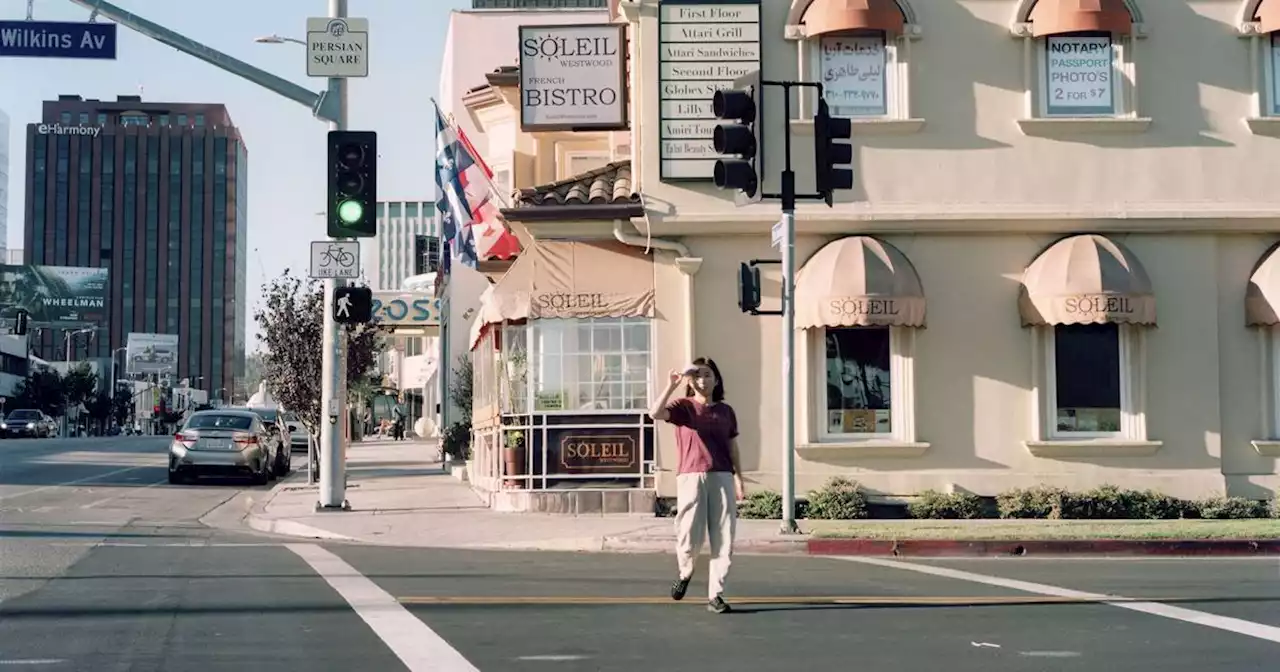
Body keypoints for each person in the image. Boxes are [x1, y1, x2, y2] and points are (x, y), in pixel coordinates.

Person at [649, 357, 745, 614]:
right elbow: (655, 413)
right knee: (689, 532)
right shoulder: (684, 407)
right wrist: (672, 385)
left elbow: (732, 446)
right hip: (691, 476)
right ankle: (686, 571)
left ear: (716, 379)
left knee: (723, 536)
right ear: (691, 381)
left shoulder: (726, 411)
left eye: (708, 374)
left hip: (722, 475)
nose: (703, 380)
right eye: (698, 375)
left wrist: (739, 478)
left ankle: (716, 594)